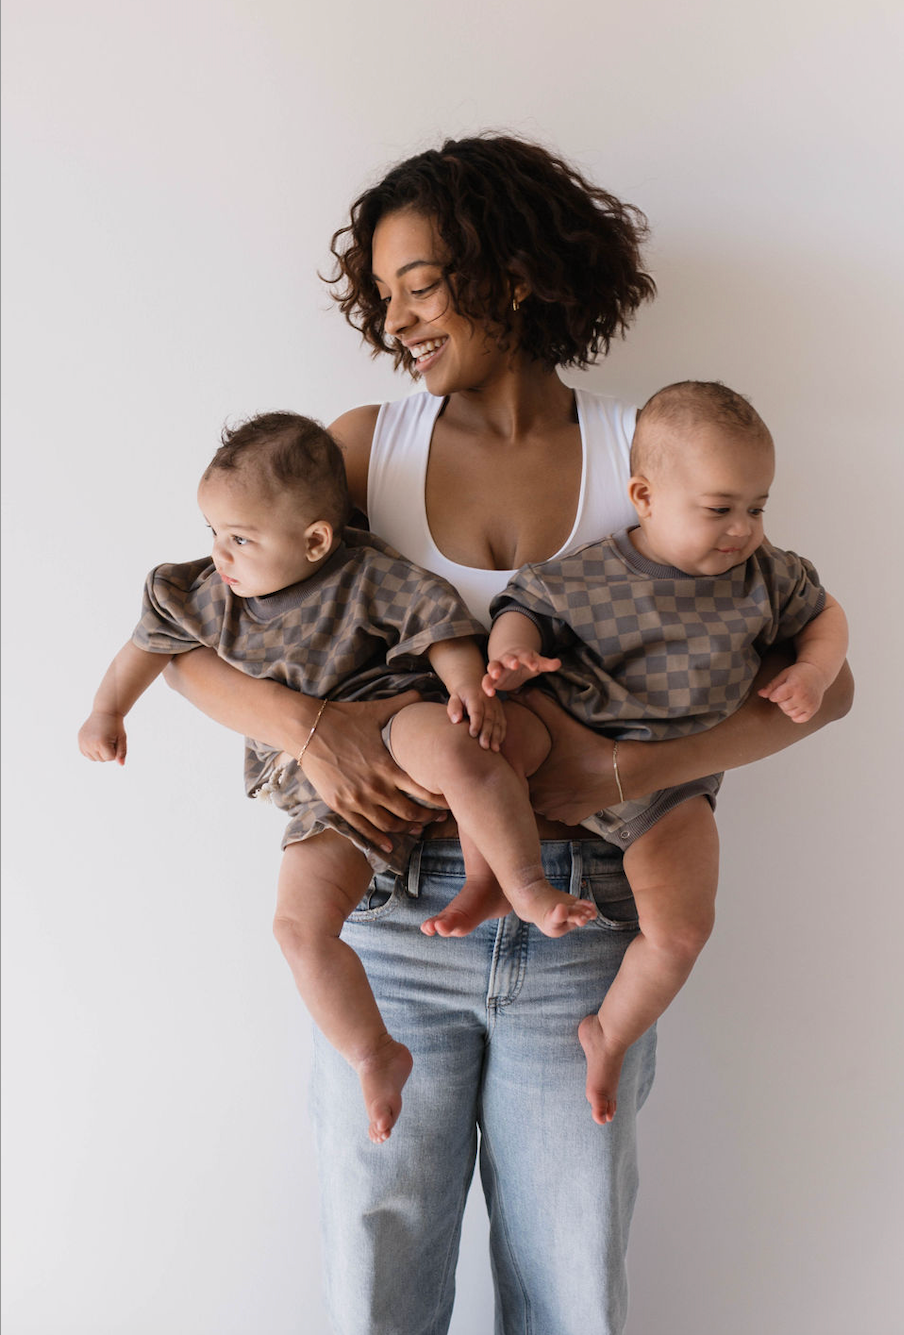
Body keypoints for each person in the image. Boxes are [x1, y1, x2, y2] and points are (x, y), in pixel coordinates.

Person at [162, 134, 853, 1335]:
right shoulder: (361, 449)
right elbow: (187, 645)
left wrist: (631, 768)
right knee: (378, 1274)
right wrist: (315, 729)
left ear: (514, 272)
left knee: (570, 1280)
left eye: (419, 284)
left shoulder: (652, 455)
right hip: (385, 906)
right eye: (382, 295)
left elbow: (818, 691)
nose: (396, 320)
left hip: (587, 914)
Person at [77, 410, 596, 1143]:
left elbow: (439, 623)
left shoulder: (365, 574)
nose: (221, 554)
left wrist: (466, 686)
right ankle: (371, 1051)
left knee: (459, 752)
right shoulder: (201, 593)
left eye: (242, 538)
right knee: (297, 927)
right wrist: (107, 711)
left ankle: (525, 885)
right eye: (214, 533)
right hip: (314, 790)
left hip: (388, 716)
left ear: (315, 538)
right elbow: (148, 646)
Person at [477, 379, 848, 1124]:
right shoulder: (591, 573)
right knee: (483, 737)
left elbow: (827, 617)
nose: (742, 528)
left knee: (681, 931)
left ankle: (609, 1033)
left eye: (756, 507)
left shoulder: (767, 578)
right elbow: (523, 607)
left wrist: (811, 670)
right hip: (568, 732)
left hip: (670, 789)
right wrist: (513, 657)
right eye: (719, 509)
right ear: (644, 496)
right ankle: (493, 877)